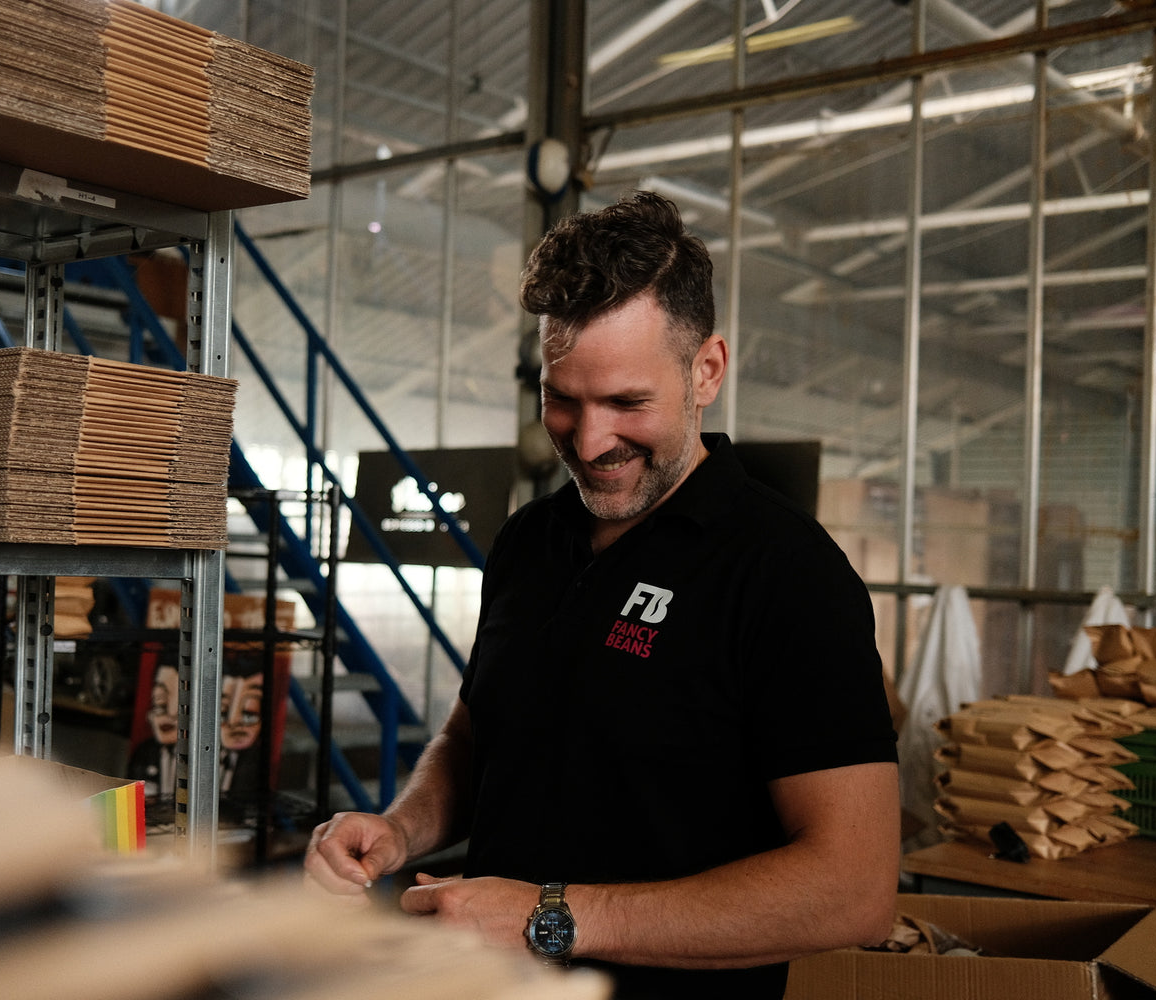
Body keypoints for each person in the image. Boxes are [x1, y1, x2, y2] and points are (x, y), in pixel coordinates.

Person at [305, 190, 900, 999]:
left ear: (707, 372)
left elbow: (854, 890)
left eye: (627, 403)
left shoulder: (787, 574)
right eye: (564, 400)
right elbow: (479, 739)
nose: (589, 443)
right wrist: (400, 829)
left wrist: (547, 918)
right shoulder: (529, 540)